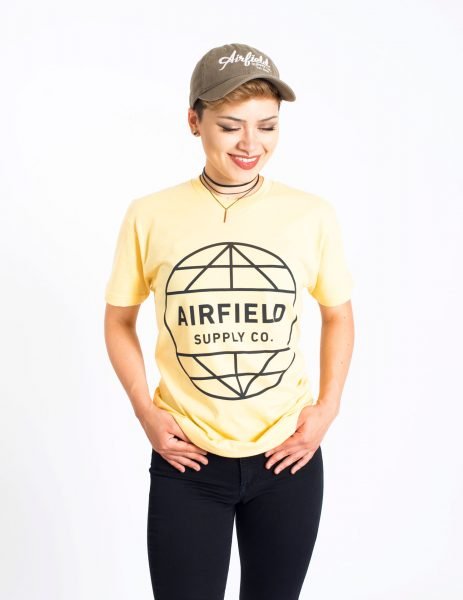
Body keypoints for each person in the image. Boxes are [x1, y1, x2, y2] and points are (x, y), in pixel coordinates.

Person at [104, 42, 355, 600]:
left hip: (287, 457)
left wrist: (328, 407)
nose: (251, 143)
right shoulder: (150, 214)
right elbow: (119, 320)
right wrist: (145, 410)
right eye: (230, 126)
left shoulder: (311, 214)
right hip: (188, 459)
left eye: (267, 126)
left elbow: (338, 313)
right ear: (194, 122)